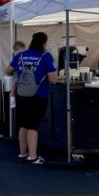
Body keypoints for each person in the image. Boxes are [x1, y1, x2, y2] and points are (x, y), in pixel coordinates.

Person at [5, 32, 59, 165]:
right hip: (38, 95)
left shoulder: (21, 55)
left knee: (23, 125)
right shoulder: (46, 56)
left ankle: (22, 153)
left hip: (22, 95)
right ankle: (33, 156)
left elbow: (7, 70)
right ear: (44, 42)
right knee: (33, 126)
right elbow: (53, 79)